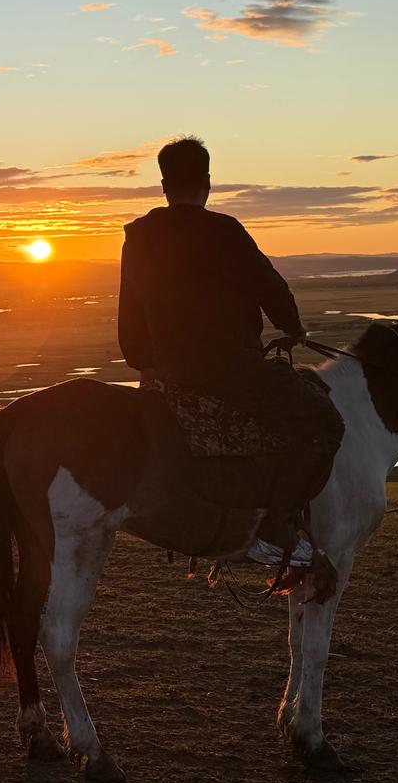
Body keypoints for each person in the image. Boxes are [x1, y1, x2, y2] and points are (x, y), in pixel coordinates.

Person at [118, 136, 344, 565]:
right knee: (326, 422)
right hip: (232, 369)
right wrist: (293, 328)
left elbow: (129, 317)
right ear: (207, 182)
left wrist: (149, 364)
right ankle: (277, 531)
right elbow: (269, 287)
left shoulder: (138, 237)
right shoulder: (224, 231)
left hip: (165, 372)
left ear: (164, 186)